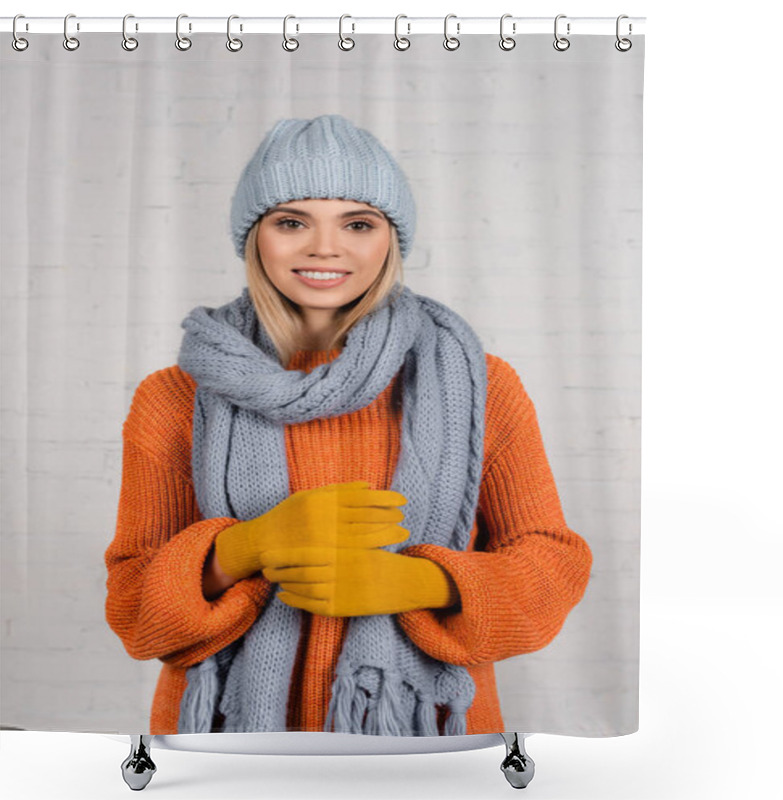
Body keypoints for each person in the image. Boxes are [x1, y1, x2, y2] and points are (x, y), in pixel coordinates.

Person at [104, 113, 592, 737]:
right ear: (255, 238)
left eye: (357, 224)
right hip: (228, 749)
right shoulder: (175, 397)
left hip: (425, 744)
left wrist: (418, 581)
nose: (324, 248)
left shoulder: (478, 386)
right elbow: (133, 609)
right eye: (291, 222)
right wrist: (247, 547)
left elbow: (552, 570)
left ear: (392, 238)